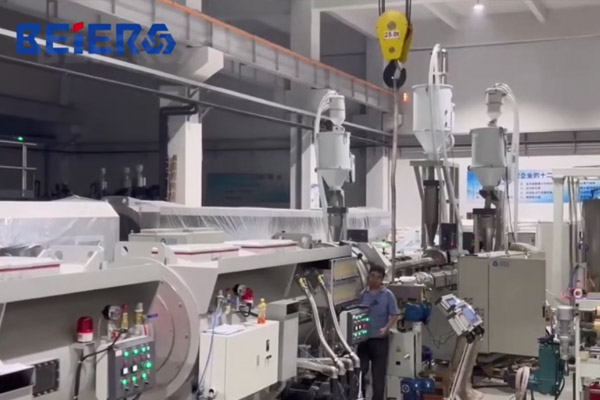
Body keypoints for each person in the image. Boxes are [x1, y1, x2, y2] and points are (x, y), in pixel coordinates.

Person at [358, 265, 399, 400]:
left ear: (382, 279)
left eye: (378, 277)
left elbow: (394, 314)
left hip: (379, 339)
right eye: (372, 276)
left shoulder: (388, 295)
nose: (374, 279)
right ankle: (360, 396)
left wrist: (386, 328)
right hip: (364, 340)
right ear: (368, 276)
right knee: (360, 371)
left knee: (378, 375)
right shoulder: (363, 295)